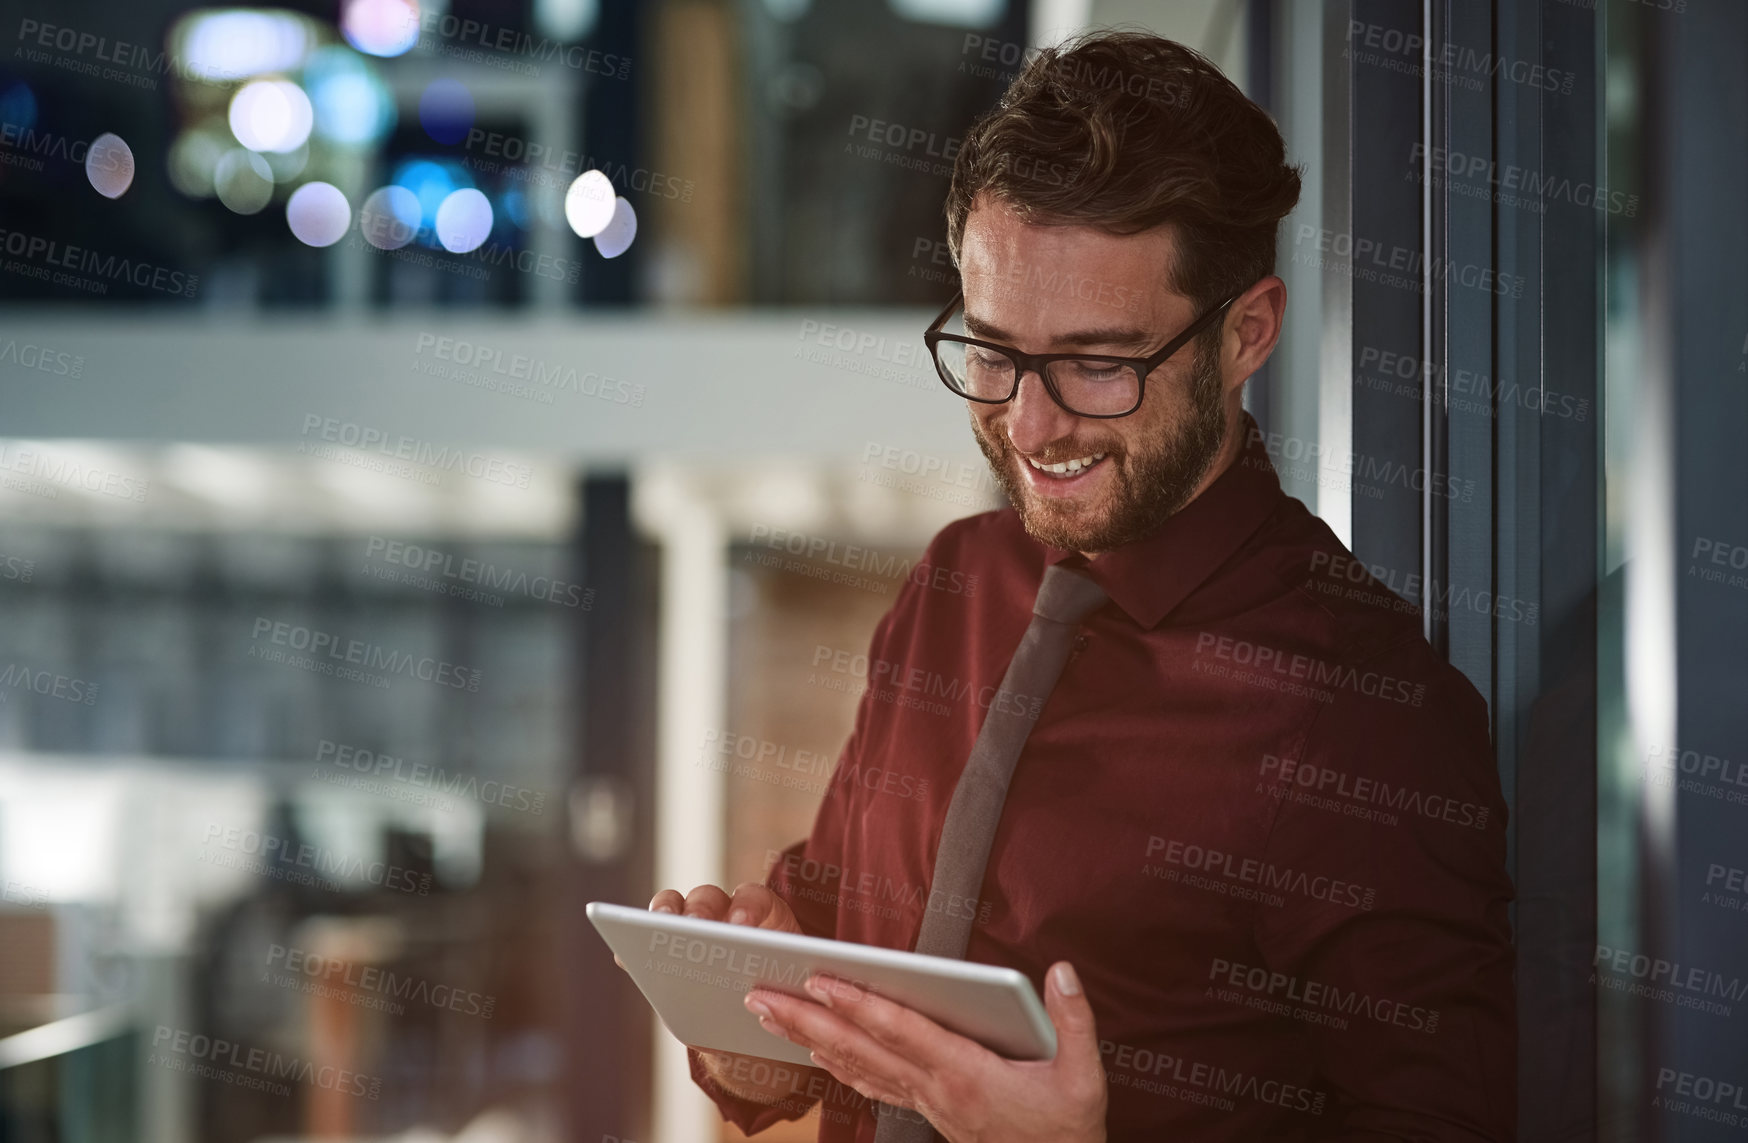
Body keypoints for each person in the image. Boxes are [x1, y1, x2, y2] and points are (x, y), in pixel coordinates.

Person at [629, 29, 1516, 1143]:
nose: (1031, 424)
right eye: (992, 352)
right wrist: (753, 1035)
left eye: (1098, 363)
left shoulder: (1368, 718)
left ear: (1245, 333)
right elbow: (834, 921)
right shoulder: (952, 583)